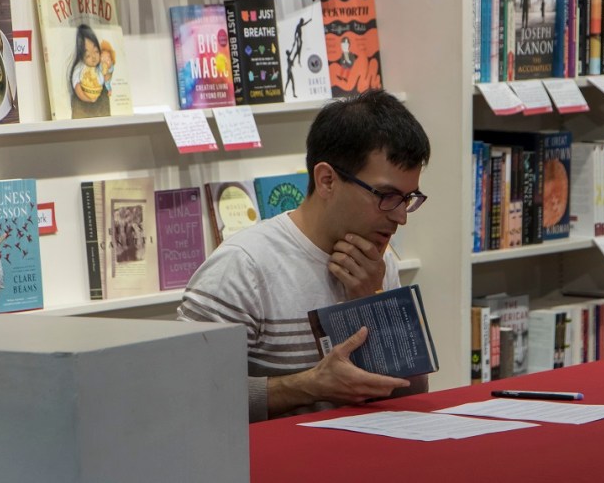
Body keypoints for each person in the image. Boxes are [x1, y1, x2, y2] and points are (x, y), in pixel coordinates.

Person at [178, 89, 431, 422]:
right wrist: (310, 386)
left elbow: (412, 392)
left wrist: (371, 301)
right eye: (386, 196)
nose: (401, 217)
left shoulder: (379, 260)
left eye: (408, 197)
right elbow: (184, 396)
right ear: (327, 180)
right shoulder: (242, 268)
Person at [68, 24, 111, 119]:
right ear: (81, 56)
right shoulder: (80, 68)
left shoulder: (99, 66)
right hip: (85, 102)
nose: (94, 57)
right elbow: (77, 86)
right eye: (88, 55)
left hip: (99, 103)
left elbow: (105, 80)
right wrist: (87, 99)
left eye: (96, 51)